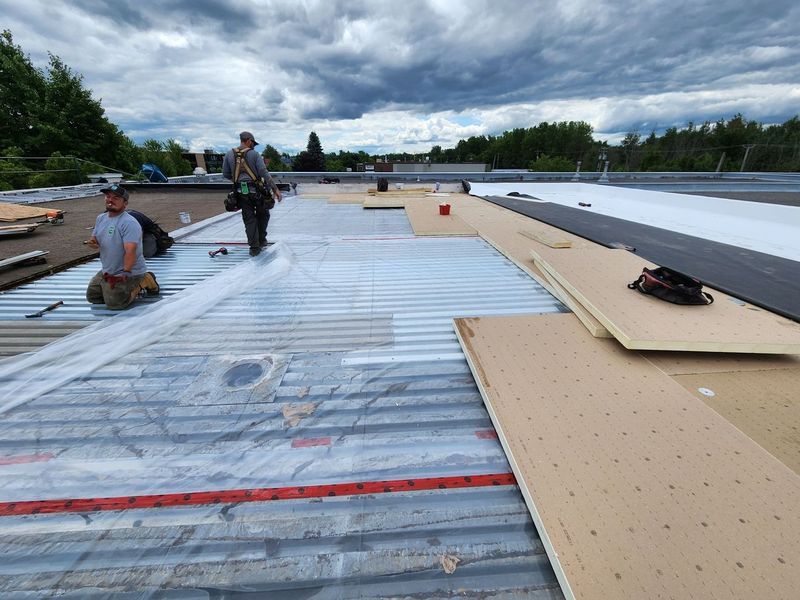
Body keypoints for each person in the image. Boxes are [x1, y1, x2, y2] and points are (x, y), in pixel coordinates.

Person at [85, 184, 160, 309]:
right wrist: (92, 243)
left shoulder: (129, 223)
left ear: (125, 203)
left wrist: (125, 273)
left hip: (130, 271)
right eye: (108, 197)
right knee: (94, 298)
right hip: (108, 269)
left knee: (116, 304)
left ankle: (144, 280)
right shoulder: (101, 218)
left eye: (116, 198)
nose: (110, 200)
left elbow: (130, 251)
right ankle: (111, 288)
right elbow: (95, 240)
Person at [222, 131, 282, 256]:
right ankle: (261, 240)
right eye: (253, 143)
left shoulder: (229, 154)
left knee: (249, 219)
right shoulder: (254, 154)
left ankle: (254, 248)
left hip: (240, 193)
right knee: (263, 214)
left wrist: (238, 179)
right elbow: (264, 172)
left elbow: (226, 174)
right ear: (248, 140)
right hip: (256, 191)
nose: (253, 146)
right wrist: (275, 189)